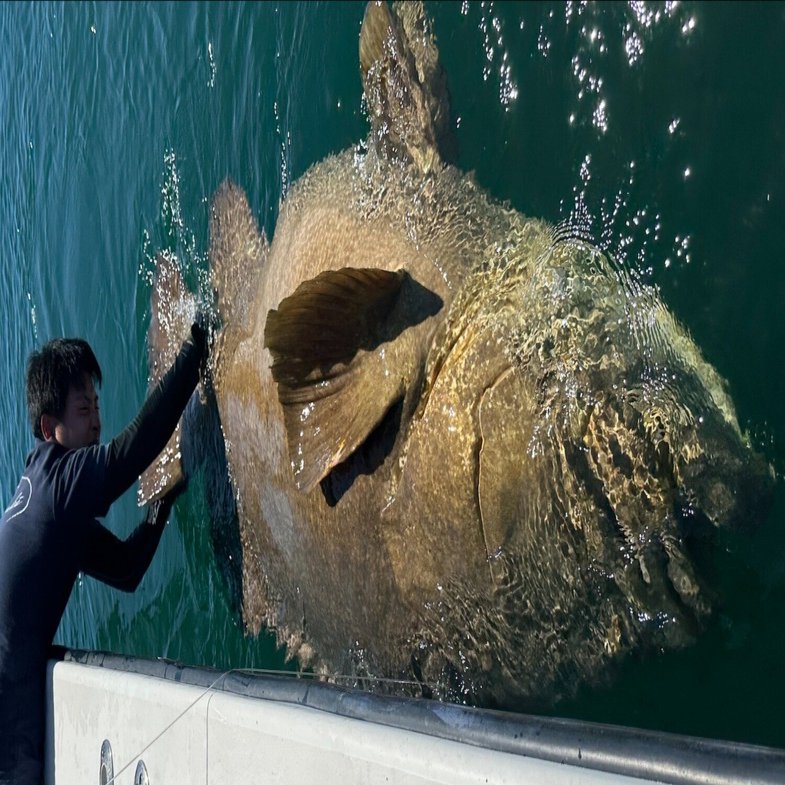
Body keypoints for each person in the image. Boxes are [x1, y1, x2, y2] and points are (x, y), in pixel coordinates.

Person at [0, 323, 207, 785]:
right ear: (49, 428)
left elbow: (126, 570)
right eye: (82, 409)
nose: (96, 419)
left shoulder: (42, 487)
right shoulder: (59, 484)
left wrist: (163, 501)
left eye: (96, 405)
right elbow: (127, 455)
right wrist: (195, 351)